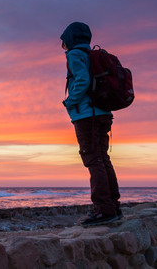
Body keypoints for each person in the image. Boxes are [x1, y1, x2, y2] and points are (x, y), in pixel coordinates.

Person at [60, 22, 122, 226]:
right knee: (102, 158)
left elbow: (82, 80)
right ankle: (113, 206)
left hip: (87, 114)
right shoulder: (93, 54)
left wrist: (70, 102)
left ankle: (103, 210)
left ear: (69, 39)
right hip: (104, 112)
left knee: (92, 159)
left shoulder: (75, 55)